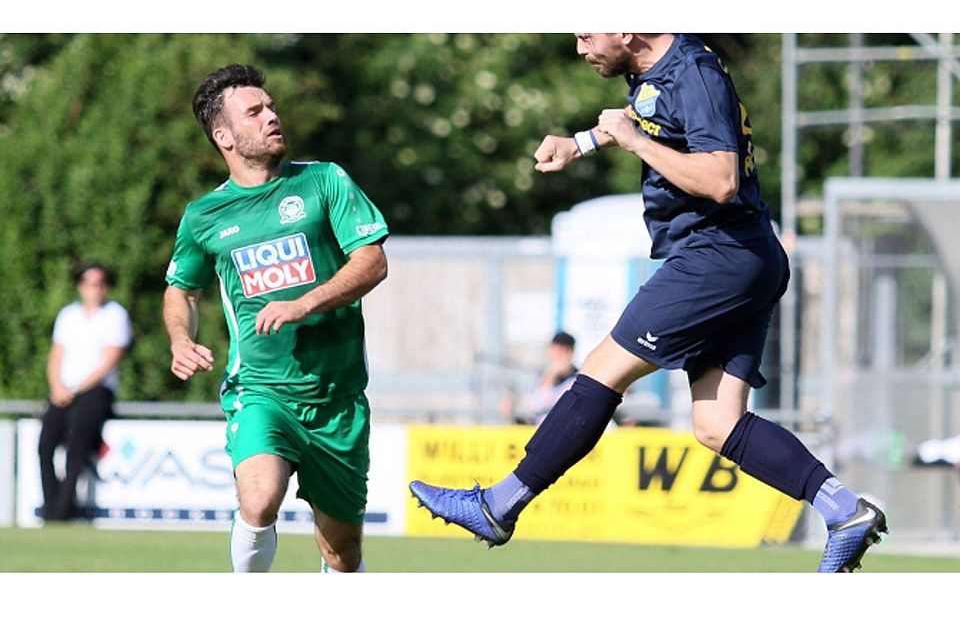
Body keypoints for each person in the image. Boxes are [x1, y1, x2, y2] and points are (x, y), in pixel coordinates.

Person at [411, 33, 887, 573]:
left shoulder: (694, 72)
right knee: (716, 424)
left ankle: (498, 505)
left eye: (587, 31)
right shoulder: (659, 69)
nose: (579, 45)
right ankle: (844, 510)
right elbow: (650, 118)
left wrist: (633, 142)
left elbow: (721, 178)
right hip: (742, 257)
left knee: (601, 370)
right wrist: (583, 142)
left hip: (717, 256)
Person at [163, 64, 389, 573]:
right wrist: (180, 337)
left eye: (271, 107)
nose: (272, 116)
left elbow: (372, 261)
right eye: (255, 111)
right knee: (260, 500)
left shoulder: (323, 180)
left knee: (342, 554)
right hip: (261, 389)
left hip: (338, 399)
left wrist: (305, 302)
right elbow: (183, 290)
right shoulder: (204, 216)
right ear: (224, 136)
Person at [38, 262, 132, 522]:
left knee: (76, 449)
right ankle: (51, 507)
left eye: (100, 283)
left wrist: (77, 388)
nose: (95, 289)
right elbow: (56, 355)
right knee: (45, 446)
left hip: (94, 391)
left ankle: (62, 513)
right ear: (80, 286)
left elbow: (111, 358)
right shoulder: (68, 315)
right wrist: (58, 387)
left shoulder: (115, 314)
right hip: (62, 391)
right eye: (90, 283)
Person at [500, 331, 578, 426]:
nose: (557, 355)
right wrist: (513, 406)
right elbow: (531, 405)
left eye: (562, 351)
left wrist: (551, 375)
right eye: (554, 350)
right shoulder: (541, 374)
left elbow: (547, 402)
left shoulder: (575, 380)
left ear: (569, 352)